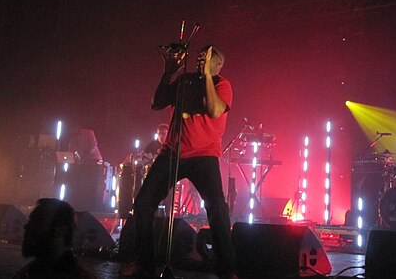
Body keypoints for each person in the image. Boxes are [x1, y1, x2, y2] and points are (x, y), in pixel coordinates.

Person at [119, 45, 237, 279]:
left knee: (217, 207)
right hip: (172, 153)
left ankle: (227, 270)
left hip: (204, 156)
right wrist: (168, 71)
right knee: (143, 204)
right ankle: (144, 264)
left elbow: (214, 110)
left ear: (218, 64)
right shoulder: (185, 81)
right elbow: (157, 102)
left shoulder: (222, 84)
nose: (200, 60)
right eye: (200, 57)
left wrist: (206, 78)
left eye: (207, 58)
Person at [13, 198, 97, 279]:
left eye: (37, 222)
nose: (26, 226)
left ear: (60, 231)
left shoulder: (27, 273)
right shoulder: (28, 272)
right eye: (31, 220)